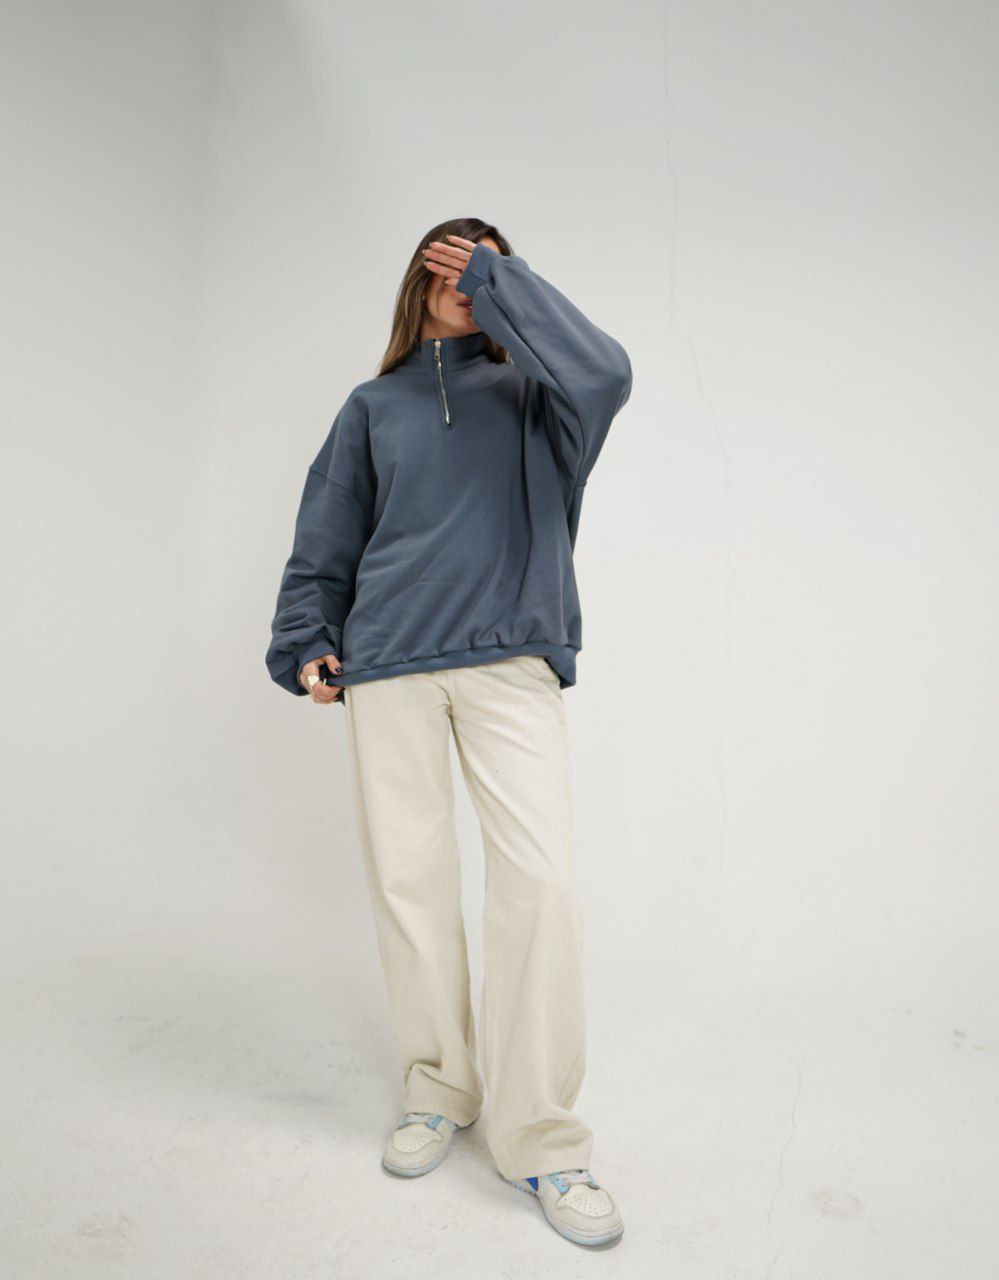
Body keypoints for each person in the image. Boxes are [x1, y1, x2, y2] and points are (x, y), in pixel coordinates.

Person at [265, 218, 632, 1248]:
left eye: (485, 262)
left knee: (539, 886)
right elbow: (328, 531)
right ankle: (440, 1087)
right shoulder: (372, 405)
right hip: (388, 665)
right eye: (451, 259)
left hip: (511, 661)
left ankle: (543, 1139)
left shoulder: (544, 398)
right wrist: (307, 637)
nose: (466, 275)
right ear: (415, 281)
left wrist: (503, 282)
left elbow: (608, 371)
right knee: (411, 885)